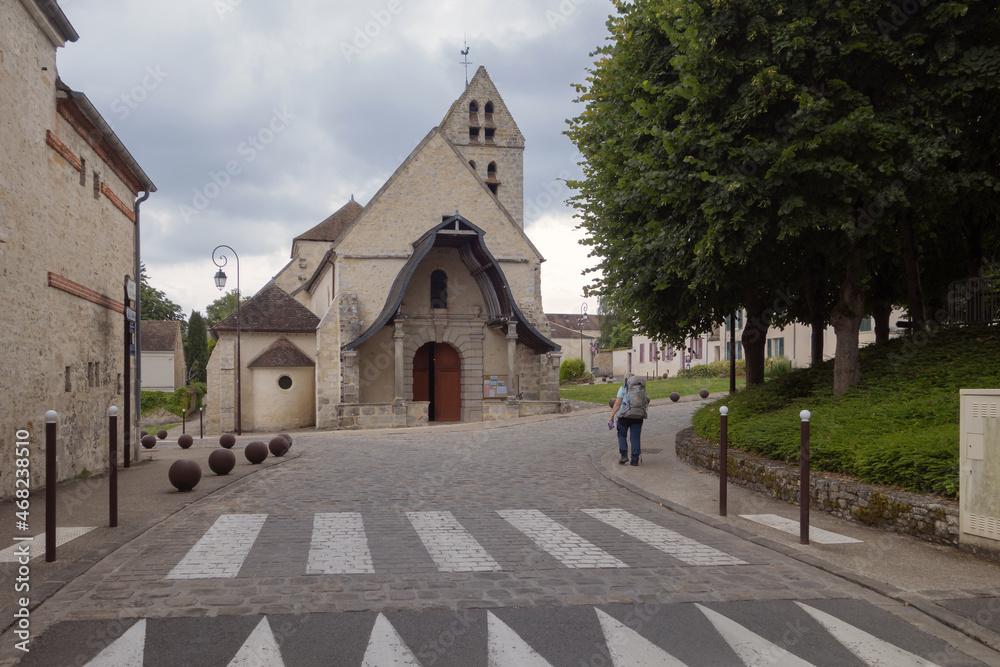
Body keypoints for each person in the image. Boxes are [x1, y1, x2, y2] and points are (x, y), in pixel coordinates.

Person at [609, 373, 642, 466]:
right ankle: (635, 459)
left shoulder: (623, 388)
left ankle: (624, 456)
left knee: (622, 435)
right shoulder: (641, 389)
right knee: (635, 437)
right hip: (638, 416)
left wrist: (612, 415)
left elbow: (617, 403)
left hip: (624, 416)